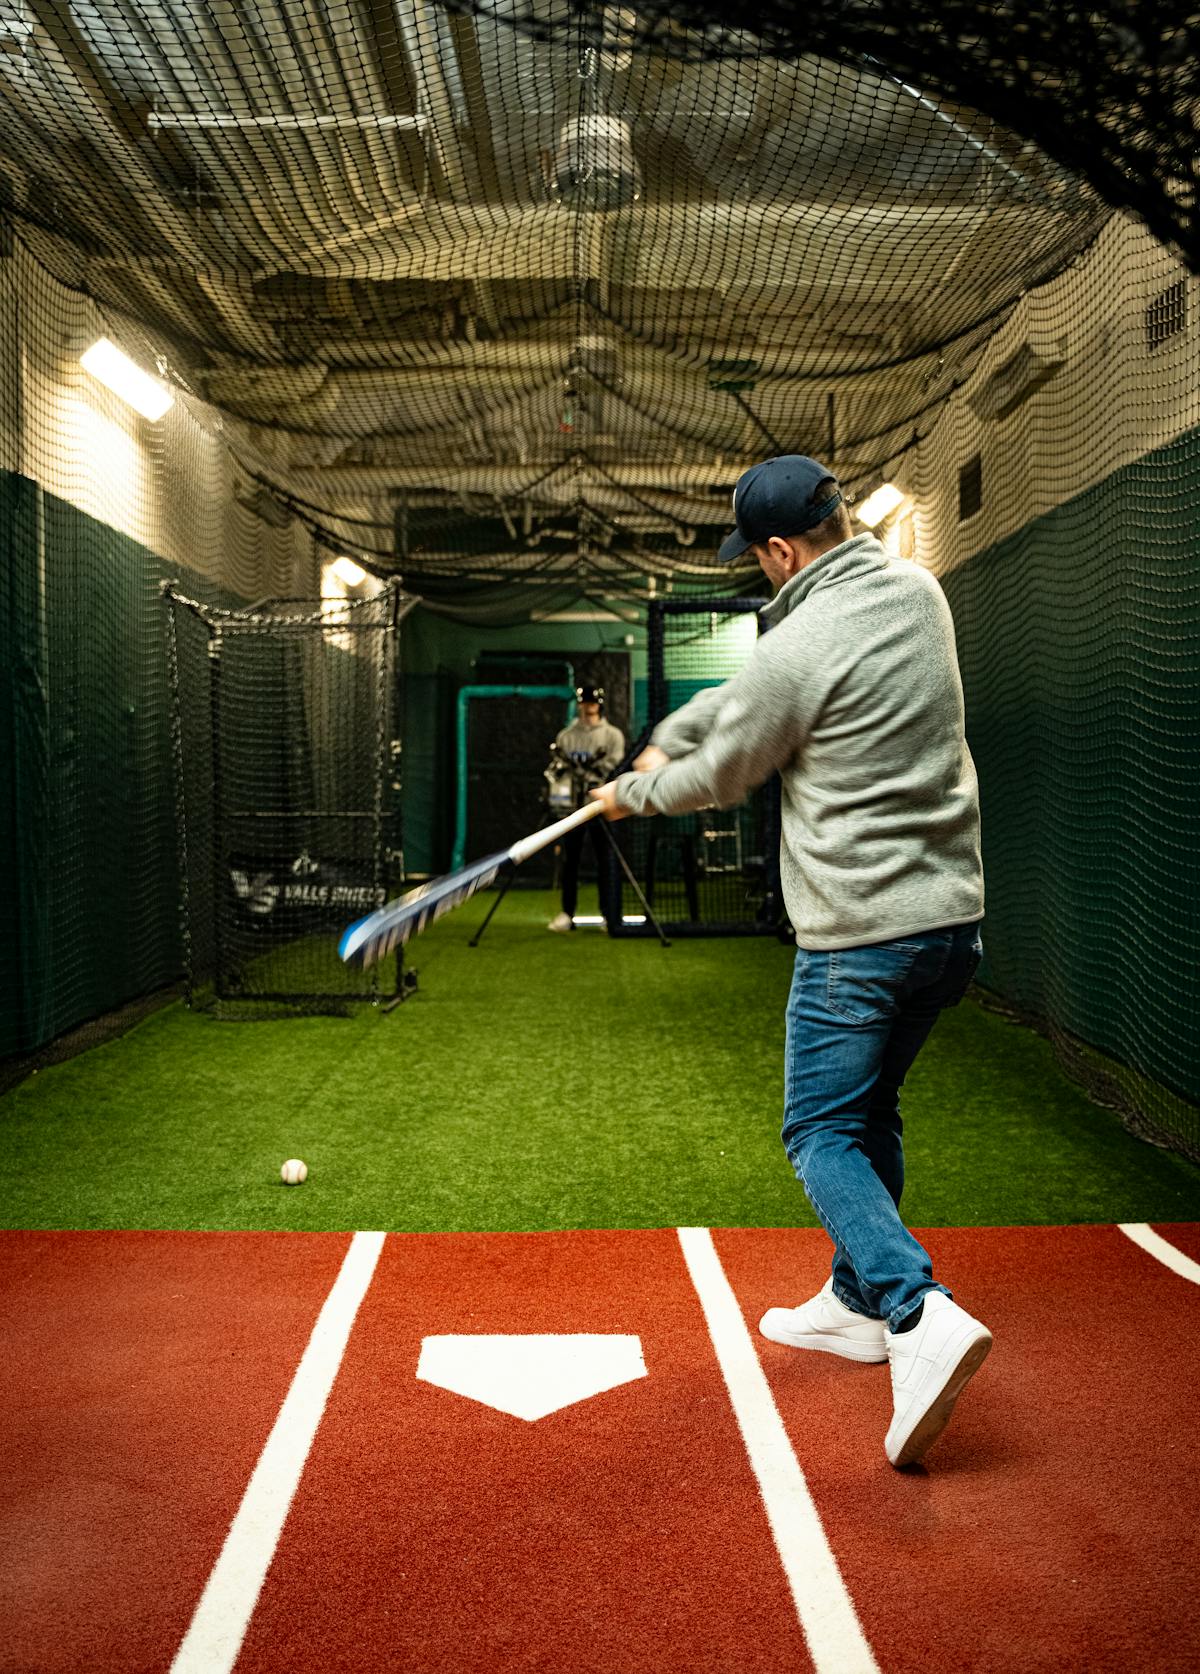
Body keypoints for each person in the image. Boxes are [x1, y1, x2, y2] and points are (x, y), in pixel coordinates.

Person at [591, 455, 990, 1469]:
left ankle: (914, 1308)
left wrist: (631, 795)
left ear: (778, 550)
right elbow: (747, 699)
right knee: (871, 1113)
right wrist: (667, 734)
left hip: (859, 935)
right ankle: (856, 1304)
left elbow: (723, 773)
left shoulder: (799, 642)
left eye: (757, 558)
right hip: (949, 927)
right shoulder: (918, 591)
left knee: (818, 1131)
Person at [547, 686, 625, 933]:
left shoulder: (612, 735)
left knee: (607, 860)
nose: (589, 706)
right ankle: (567, 913)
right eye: (585, 702)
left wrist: (593, 775)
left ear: (600, 704)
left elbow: (613, 766)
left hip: (602, 807)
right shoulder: (566, 736)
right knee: (570, 861)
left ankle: (609, 914)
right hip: (573, 809)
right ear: (580, 704)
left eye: (593, 702)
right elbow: (557, 770)